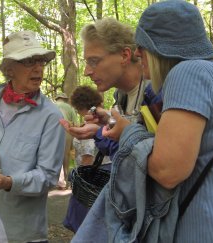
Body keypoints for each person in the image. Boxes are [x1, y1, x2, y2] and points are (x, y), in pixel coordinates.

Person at [101, 0, 213, 241]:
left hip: (209, 231)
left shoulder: (187, 73)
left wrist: (129, 133)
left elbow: (168, 171)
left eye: (142, 45)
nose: (137, 53)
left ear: (161, 48)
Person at [0, 30, 66, 243]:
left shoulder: (51, 116)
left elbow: (48, 176)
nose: (38, 68)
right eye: (28, 61)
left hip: (17, 232)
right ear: (9, 69)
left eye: (41, 61)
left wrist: (9, 182)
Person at [59, 18, 160, 160]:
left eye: (94, 61)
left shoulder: (157, 92)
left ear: (124, 55)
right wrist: (108, 123)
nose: (86, 72)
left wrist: (100, 133)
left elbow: (158, 161)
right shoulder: (121, 96)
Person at [62, 85, 111, 233]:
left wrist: (83, 180)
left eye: (77, 109)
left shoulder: (92, 125)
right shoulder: (106, 119)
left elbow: (88, 156)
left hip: (93, 179)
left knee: (88, 224)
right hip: (105, 175)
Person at [55, 93, 78, 189]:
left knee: (55, 156)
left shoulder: (51, 105)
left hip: (53, 132)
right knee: (65, 156)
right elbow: (75, 124)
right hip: (67, 132)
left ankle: (58, 181)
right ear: (65, 99)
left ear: (57, 99)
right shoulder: (70, 107)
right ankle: (65, 181)